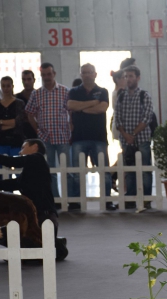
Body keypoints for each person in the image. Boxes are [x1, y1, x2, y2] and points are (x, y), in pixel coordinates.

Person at [0, 138, 68, 260]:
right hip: (35, 216)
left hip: (43, 216)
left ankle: (57, 244)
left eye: (23, 147)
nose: (20, 152)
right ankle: (54, 242)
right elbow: (8, 184)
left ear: (35, 147)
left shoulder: (37, 158)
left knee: (31, 247)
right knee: (5, 236)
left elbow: (10, 162)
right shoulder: (29, 173)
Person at [67, 63, 117, 211]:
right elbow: (71, 106)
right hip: (78, 138)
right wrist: (92, 104)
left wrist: (81, 108)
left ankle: (107, 201)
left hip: (99, 138)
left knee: (105, 172)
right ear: (81, 75)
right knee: (77, 172)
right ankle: (76, 201)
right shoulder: (74, 91)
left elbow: (102, 109)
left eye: (90, 72)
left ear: (95, 74)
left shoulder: (102, 91)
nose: (87, 75)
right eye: (84, 72)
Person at [25, 62, 73, 205]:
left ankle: (71, 199)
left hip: (63, 136)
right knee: (49, 171)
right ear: (41, 75)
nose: (47, 77)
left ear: (54, 74)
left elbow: (71, 111)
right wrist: (37, 130)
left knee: (68, 170)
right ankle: (55, 200)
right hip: (45, 138)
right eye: (44, 74)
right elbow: (29, 113)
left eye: (49, 74)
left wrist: (71, 128)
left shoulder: (65, 91)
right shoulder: (36, 93)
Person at [115, 65, 154, 210]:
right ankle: (130, 198)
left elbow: (147, 117)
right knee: (129, 170)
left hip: (142, 139)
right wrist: (126, 135)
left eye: (130, 76)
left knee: (145, 169)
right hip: (126, 141)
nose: (128, 79)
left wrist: (133, 134)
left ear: (138, 78)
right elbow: (117, 118)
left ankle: (146, 199)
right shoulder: (121, 96)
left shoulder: (145, 95)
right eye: (126, 76)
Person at [0, 77, 26, 158]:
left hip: (16, 142)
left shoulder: (19, 103)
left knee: (17, 168)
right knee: (1, 169)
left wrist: (0, 122)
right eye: (3, 86)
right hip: (0, 142)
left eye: (8, 86)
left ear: (12, 86)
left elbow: (18, 122)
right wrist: (11, 124)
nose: (6, 88)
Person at [15, 70, 37, 139]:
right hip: (22, 135)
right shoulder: (16, 98)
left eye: (29, 79)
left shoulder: (39, 96)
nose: (26, 82)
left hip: (38, 133)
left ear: (34, 80)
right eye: (24, 79)